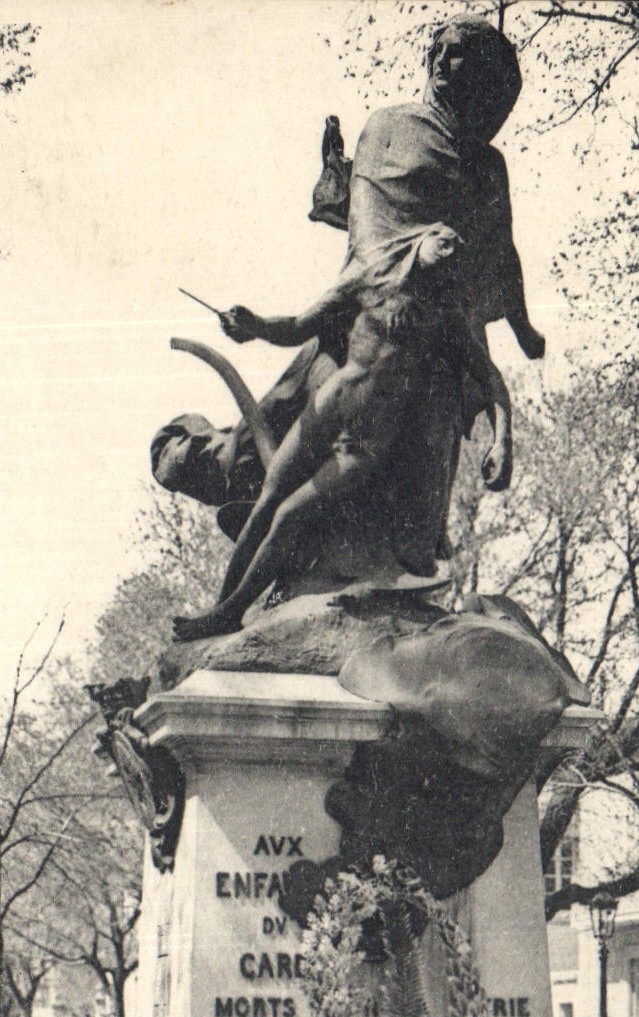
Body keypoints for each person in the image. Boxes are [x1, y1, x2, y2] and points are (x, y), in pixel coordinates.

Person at [153, 14, 543, 591]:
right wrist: (341, 179)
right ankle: (199, 458)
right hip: (362, 321)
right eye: (440, 50)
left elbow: (499, 254)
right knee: (274, 447)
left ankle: (357, 578)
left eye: (459, 55)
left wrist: (523, 326)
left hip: (436, 339)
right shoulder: (388, 125)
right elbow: (373, 219)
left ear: (485, 78)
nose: (441, 62)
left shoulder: (488, 168)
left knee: (410, 505)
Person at [172, 224, 512, 640]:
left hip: (365, 442)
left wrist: (503, 440)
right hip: (329, 406)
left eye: (458, 246)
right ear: (420, 236)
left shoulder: (446, 314)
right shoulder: (369, 275)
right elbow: (299, 325)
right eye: (444, 236)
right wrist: (255, 326)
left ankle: (234, 610)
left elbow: (491, 379)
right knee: (267, 502)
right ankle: (222, 608)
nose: (451, 244)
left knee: (289, 514)